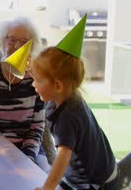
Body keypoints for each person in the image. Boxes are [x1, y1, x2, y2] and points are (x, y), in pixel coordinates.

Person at [32, 47, 131, 190]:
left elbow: (62, 158)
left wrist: (48, 187)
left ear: (58, 85)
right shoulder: (65, 97)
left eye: (37, 80)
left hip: (97, 184)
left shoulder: (68, 116)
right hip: (89, 174)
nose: (33, 84)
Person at [0, 17, 50, 171]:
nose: (17, 46)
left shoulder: (36, 80)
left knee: (45, 180)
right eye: (11, 40)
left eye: (24, 41)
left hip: (29, 150)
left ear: (31, 47)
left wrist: (27, 157)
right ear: (2, 42)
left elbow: (37, 127)